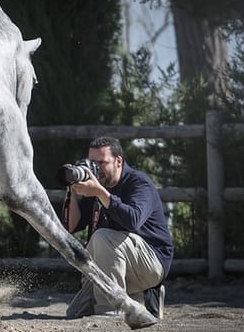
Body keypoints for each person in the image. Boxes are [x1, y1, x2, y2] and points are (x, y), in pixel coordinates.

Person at [61, 136, 173, 319]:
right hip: (112, 265)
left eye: (102, 163)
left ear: (118, 161)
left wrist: (99, 192)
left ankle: (110, 309)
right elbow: (71, 226)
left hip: (152, 263)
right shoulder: (97, 185)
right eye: (92, 162)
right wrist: (72, 192)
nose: (96, 168)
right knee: (75, 312)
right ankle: (140, 300)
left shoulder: (139, 183)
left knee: (101, 237)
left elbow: (133, 220)